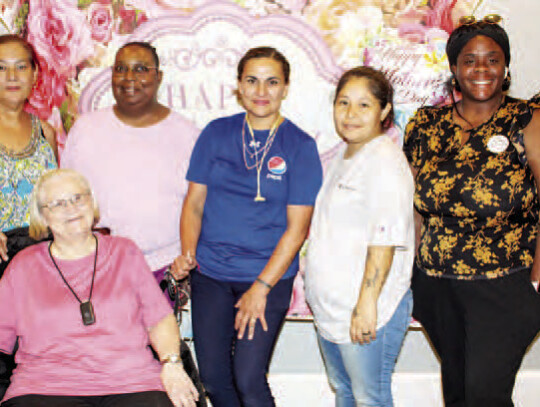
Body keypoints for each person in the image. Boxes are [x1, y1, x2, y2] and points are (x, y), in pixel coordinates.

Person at [171, 46, 322, 406]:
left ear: (286, 88)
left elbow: (297, 230)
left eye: (272, 82)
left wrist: (261, 287)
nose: (261, 91)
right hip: (211, 276)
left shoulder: (300, 146)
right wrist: (188, 255)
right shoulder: (216, 133)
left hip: (267, 279)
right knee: (214, 379)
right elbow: (194, 203)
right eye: (252, 80)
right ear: (239, 85)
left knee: (249, 379)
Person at [404, 15, 540, 407]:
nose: (481, 68)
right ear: (453, 68)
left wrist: (535, 281)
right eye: (470, 59)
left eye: (492, 59)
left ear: (506, 66)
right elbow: (413, 207)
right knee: (461, 392)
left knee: (484, 395)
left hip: (505, 285)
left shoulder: (528, 119)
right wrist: (410, 271)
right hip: (436, 285)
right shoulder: (425, 125)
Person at [0, 169, 198, 407]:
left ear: (91, 204)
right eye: (58, 203)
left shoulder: (125, 252)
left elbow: (158, 319)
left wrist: (172, 363)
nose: (71, 208)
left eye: (78, 198)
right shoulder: (23, 266)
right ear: (43, 217)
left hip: (132, 382)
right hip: (45, 386)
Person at [304, 66, 414, 407]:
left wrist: (367, 305)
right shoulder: (347, 153)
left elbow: (385, 237)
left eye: (364, 105)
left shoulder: (384, 160)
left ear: (384, 111)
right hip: (335, 310)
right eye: (343, 103)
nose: (351, 114)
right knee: (347, 392)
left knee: (370, 397)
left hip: (367, 309)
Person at [61, 41, 198, 279]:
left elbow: (199, 207)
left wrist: (186, 258)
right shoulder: (86, 128)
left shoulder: (187, 135)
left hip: (164, 268)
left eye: (141, 69)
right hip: (95, 267)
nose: (129, 77)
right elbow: (64, 196)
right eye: (121, 69)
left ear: (159, 77)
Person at [0, 34, 58, 398]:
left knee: (38, 362)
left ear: (36, 74)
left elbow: (56, 199)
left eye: (22, 65)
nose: (12, 75)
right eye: (1, 67)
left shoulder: (46, 131)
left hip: (41, 266)